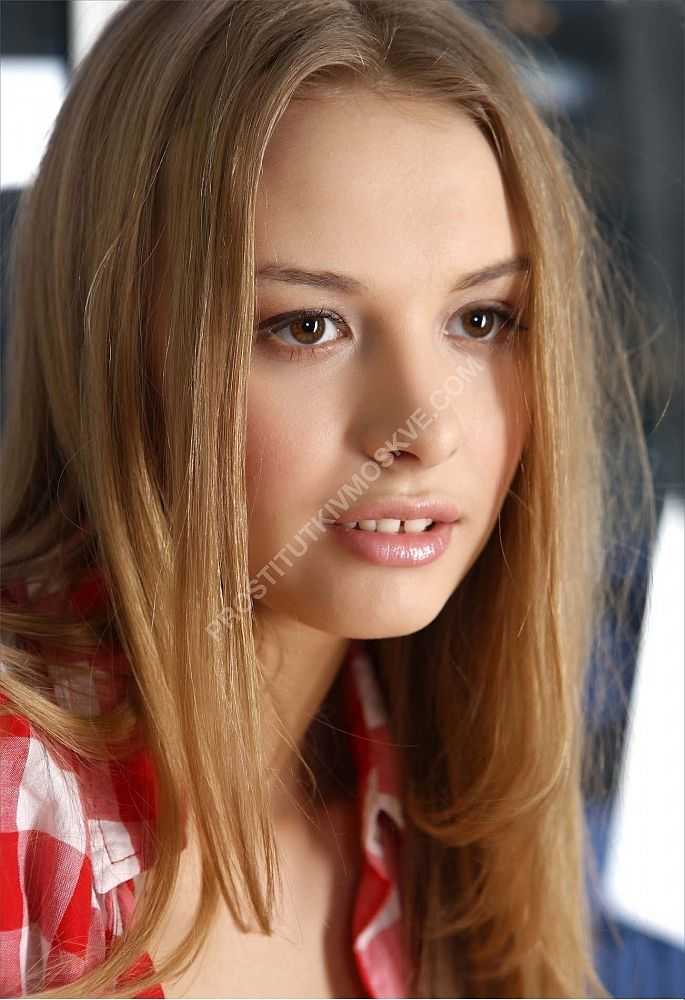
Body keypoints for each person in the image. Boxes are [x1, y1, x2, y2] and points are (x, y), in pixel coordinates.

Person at [0, 0, 656, 997]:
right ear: (123, 345)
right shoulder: (19, 793)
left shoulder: (444, 776)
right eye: (307, 326)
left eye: (482, 318)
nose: (423, 428)